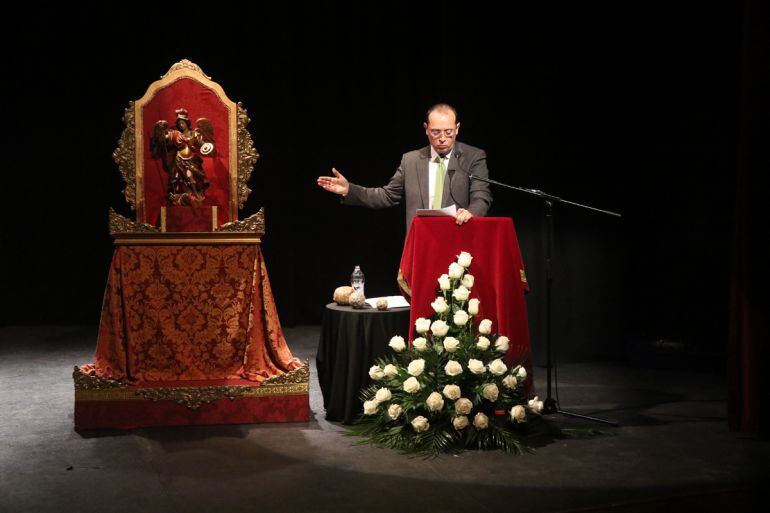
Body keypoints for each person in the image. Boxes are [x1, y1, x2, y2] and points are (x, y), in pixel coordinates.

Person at [317, 104, 492, 229]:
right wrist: (349, 190)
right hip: (420, 243)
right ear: (426, 129)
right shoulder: (411, 160)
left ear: (457, 128)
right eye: (436, 132)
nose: (442, 138)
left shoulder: (473, 157)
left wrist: (471, 212)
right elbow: (387, 195)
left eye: (448, 132)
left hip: (459, 240)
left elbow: (481, 195)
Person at [151, 108, 215, 206]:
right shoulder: (176, 134)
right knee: (179, 178)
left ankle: (196, 194)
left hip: (192, 159)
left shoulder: (194, 133)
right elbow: (163, 138)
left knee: (193, 175)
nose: (181, 125)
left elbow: (202, 144)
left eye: (183, 123)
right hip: (179, 159)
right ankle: (181, 195)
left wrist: (205, 146)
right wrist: (162, 132)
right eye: (179, 123)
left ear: (187, 123)